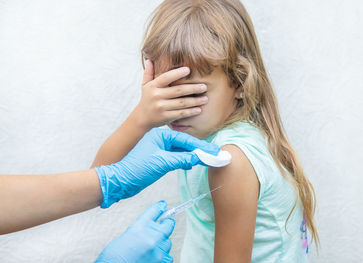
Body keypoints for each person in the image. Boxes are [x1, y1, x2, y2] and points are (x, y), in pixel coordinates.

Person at [93, 0, 320, 262]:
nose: (179, 108)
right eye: (167, 90)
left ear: (240, 83)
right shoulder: (207, 134)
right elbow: (98, 182)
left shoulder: (232, 160)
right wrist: (140, 118)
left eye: (192, 93)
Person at [0, 63, 219, 263]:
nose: (178, 112)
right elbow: (101, 168)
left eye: (195, 93)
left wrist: (110, 180)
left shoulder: (236, 152)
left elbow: (98, 174)